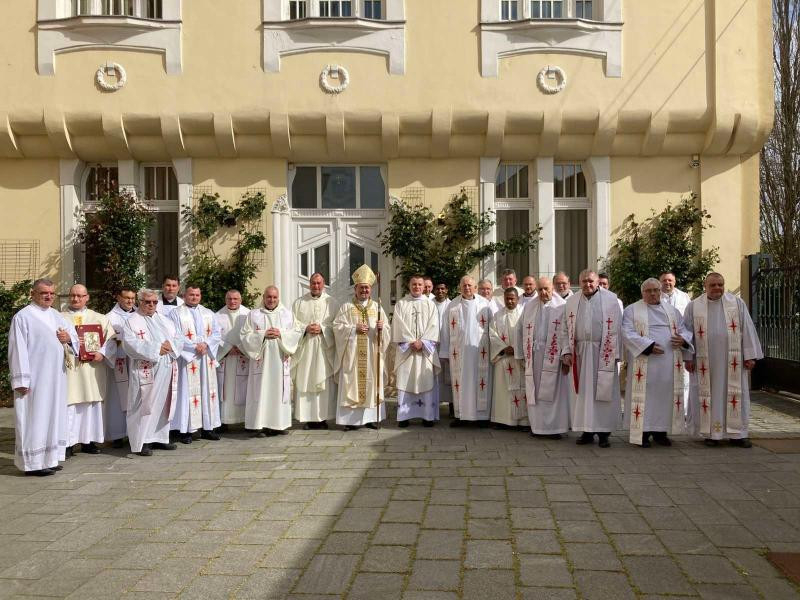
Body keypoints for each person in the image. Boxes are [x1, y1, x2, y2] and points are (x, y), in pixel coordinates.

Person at [684, 273, 763, 447]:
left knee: (736, 395)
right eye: (713, 285)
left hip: (733, 362)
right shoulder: (694, 306)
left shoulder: (736, 303)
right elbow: (687, 333)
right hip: (705, 363)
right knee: (708, 395)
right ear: (705, 286)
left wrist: (750, 355)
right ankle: (711, 434)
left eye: (720, 284)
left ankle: (738, 434)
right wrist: (688, 357)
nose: (717, 288)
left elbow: (747, 329)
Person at [9, 279, 78, 475]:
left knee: (53, 417)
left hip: (56, 377)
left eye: (51, 293)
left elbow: (72, 337)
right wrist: (21, 379)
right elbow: (17, 349)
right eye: (44, 293)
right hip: (35, 378)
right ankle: (32, 464)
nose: (48, 296)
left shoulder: (56, 315)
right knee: (34, 418)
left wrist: (69, 339)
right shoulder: (23, 317)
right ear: (33, 294)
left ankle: (50, 458)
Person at [622, 278, 692, 447]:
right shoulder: (632, 310)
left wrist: (683, 339)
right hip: (644, 361)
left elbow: (684, 329)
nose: (653, 294)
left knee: (664, 398)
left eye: (656, 290)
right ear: (642, 293)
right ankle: (643, 434)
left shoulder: (672, 311)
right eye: (649, 291)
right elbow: (627, 332)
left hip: (668, 363)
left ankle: (661, 433)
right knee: (645, 398)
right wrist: (648, 346)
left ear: (660, 292)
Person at [560, 269, 623, 448]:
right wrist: (566, 351)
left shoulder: (611, 299)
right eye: (584, 281)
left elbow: (619, 327)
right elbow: (565, 328)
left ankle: (603, 433)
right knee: (583, 395)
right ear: (579, 282)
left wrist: (617, 354)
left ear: (597, 282)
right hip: (580, 352)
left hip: (603, 352)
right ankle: (586, 430)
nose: (587, 284)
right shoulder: (572, 301)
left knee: (602, 393)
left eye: (591, 281)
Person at [122, 289, 182, 456]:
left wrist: (171, 345)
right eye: (147, 302)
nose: (151, 305)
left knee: (162, 402)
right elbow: (130, 343)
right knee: (143, 404)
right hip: (145, 368)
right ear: (140, 302)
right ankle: (142, 441)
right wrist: (156, 349)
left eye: (155, 302)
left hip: (165, 366)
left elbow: (179, 337)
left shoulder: (165, 320)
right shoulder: (132, 321)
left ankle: (160, 437)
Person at [61, 284, 116, 455]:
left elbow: (111, 340)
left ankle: (89, 441)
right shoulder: (59, 318)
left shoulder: (99, 318)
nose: (75, 299)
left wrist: (102, 353)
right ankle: (68, 443)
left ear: (87, 298)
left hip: (92, 369)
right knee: (70, 405)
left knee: (91, 405)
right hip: (69, 370)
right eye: (72, 295)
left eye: (80, 296)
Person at [333, 264, 389, 430]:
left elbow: (387, 331)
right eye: (361, 287)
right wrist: (353, 329)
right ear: (355, 289)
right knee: (351, 384)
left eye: (367, 288)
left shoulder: (377, 308)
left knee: (372, 384)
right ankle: (351, 421)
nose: (364, 290)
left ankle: (371, 418)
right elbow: (337, 328)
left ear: (371, 289)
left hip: (371, 354)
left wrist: (382, 329)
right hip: (352, 356)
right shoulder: (346, 307)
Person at [240, 286, 302, 436]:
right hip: (261, 363)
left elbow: (296, 332)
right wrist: (262, 335)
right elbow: (244, 335)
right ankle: (260, 425)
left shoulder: (287, 314)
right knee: (261, 391)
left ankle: (278, 425)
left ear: (278, 298)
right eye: (268, 297)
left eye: (274, 297)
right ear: (263, 297)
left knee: (278, 390)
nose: (271, 300)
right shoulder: (254, 314)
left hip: (279, 360)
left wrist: (281, 334)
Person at [517, 277, 570, 439]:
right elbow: (520, 329)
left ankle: (554, 428)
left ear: (552, 288)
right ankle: (537, 427)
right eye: (540, 289)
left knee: (554, 393)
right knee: (535, 391)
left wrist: (566, 355)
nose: (543, 292)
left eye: (546, 289)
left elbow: (567, 332)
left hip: (555, 358)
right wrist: (521, 355)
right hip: (534, 356)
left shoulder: (562, 306)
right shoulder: (530, 306)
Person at [169, 285, 222, 443]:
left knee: (207, 391)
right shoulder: (175, 313)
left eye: (197, 295)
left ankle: (208, 428)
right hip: (188, 359)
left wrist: (206, 344)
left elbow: (217, 333)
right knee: (186, 393)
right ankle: (186, 430)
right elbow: (175, 335)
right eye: (191, 294)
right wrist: (194, 347)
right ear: (184, 295)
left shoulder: (208, 313)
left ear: (200, 296)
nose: (194, 297)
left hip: (205, 358)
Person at [440, 276, 493, 427]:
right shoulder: (452, 305)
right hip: (459, 353)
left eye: (470, 285)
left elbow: (493, 328)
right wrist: (445, 352)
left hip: (480, 352)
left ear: (475, 287)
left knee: (480, 383)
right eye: (464, 285)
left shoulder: (485, 304)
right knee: (460, 384)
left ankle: (482, 417)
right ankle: (461, 416)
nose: (467, 288)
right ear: (460, 287)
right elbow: (445, 330)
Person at [393, 274, 440, 427]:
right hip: (407, 352)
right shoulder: (401, 304)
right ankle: (404, 417)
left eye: (420, 284)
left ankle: (427, 416)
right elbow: (398, 326)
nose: (417, 287)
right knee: (405, 381)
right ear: (409, 285)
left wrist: (423, 342)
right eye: (414, 284)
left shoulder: (430, 304)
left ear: (424, 286)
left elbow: (434, 326)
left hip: (424, 351)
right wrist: (411, 342)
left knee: (425, 380)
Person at [292, 273, 337, 430]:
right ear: (309, 284)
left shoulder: (332, 303)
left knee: (323, 381)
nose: (316, 286)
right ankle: (308, 418)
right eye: (313, 283)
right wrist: (305, 328)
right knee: (305, 380)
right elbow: (292, 325)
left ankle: (322, 418)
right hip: (305, 350)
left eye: (319, 283)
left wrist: (323, 329)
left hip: (324, 349)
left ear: (323, 284)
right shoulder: (299, 303)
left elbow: (337, 325)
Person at [489, 288, 527, 429]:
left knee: (522, 390)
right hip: (503, 358)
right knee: (503, 392)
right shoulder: (497, 315)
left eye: (512, 298)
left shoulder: (524, 313)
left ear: (518, 299)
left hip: (519, 360)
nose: (510, 301)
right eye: (507, 299)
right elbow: (492, 335)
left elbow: (528, 333)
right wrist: (504, 348)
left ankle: (523, 421)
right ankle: (503, 420)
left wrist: (517, 349)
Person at [105, 288, 137, 448]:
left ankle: (135, 433)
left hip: (136, 363)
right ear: (118, 298)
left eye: (132, 298)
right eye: (126, 298)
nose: (130, 301)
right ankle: (117, 434)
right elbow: (105, 342)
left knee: (136, 396)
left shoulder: (139, 315)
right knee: (117, 399)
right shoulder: (109, 318)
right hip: (119, 362)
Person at [214, 290, 250, 429]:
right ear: (225, 299)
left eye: (235, 299)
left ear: (241, 300)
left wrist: (241, 347)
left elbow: (251, 334)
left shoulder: (248, 314)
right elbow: (214, 336)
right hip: (226, 359)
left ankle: (246, 419)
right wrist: (228, 348)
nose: (232, 301)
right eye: (229, 298)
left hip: (243, 357)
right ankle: (224, 421)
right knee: (225, 390)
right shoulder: (217, 316)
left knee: (244, 388)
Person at [432, 282, 453, 414]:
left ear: (447, 290)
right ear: (434, 290)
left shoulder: (452, 305)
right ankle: (434, 406)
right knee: (435, 376)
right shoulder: (429, 304)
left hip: (448, 344)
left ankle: (452, 405)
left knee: (449, 376)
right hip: (433, 346)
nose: (440, 291)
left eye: (443, 289)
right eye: (438, 289)